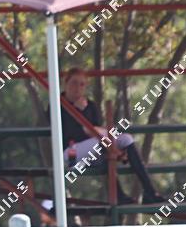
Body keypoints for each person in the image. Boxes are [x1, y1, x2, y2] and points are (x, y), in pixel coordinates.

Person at [58, 67, 165, 204]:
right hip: (71, 154)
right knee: (100, 142)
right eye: (74, 83)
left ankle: (150, 192)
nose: (77, 88)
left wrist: (89, 122)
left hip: (97, 149)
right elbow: (78, 131)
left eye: (82, 84)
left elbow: (96, 129)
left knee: (126, 139)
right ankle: (118, 194)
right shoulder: (57, 105)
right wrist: (79, 112)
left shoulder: (90, 105)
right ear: (65, 83)